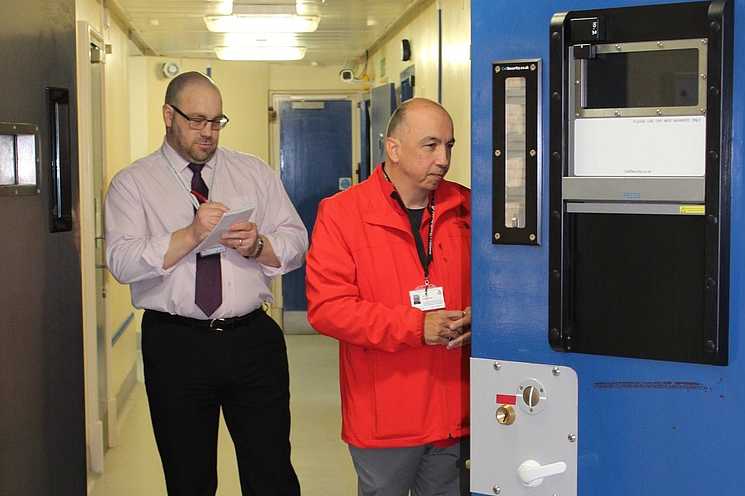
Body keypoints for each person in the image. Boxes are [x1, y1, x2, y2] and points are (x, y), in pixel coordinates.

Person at [105, 71, 306, 496]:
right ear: (168, 115)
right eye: (197, 120)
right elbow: (121, 261)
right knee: (189, 477)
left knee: (271, 472)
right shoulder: (133, 183)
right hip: (176, 344)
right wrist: (190, 235)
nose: (208, 132)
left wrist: (259, 245)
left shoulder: (253, 172)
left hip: (252, 339)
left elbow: (296, 240)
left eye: (216, 121)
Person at [306, 97, 471, 496]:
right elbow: (328, 309)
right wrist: (417, 327)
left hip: (456, 412)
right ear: (393, 149)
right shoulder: (343, 214)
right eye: (430, 145)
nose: (443, 159)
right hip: (385, 415)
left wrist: (479, 316)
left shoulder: (468, 208)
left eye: (449, 146)